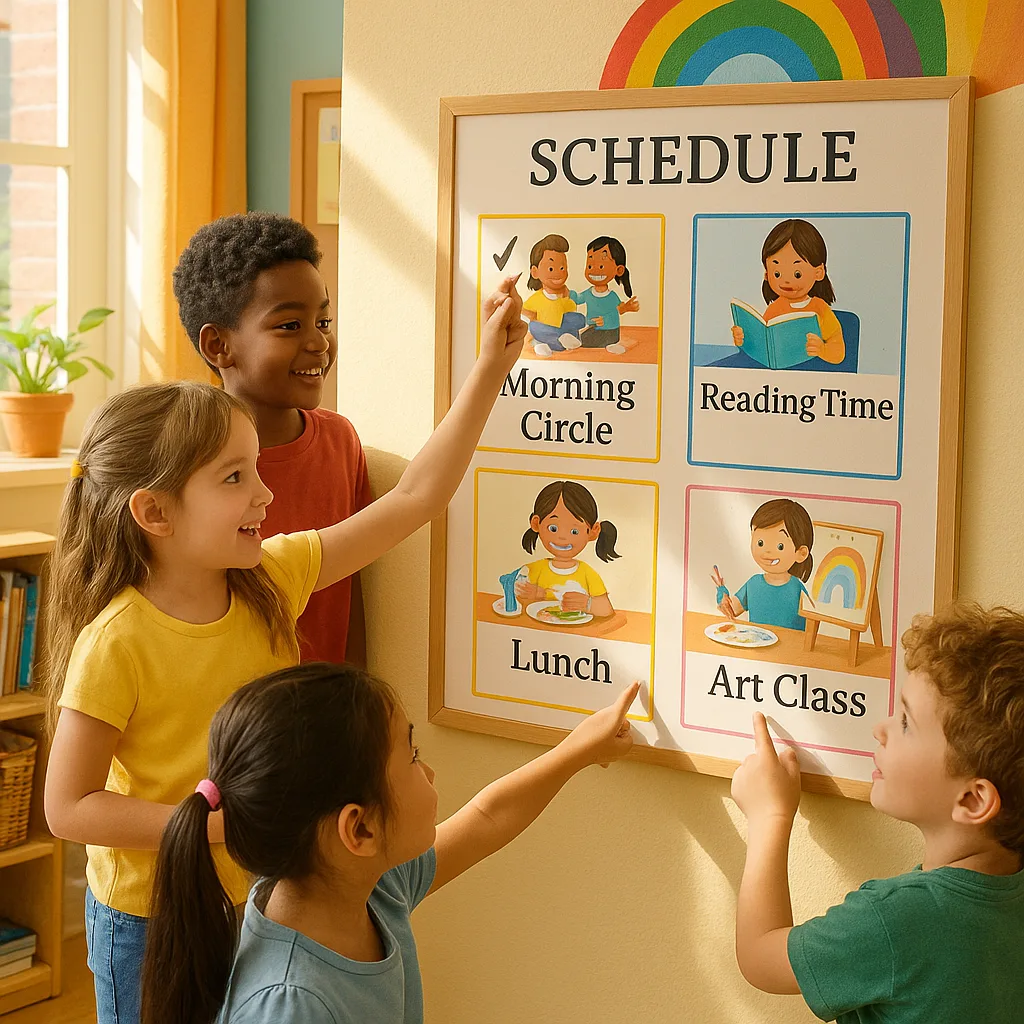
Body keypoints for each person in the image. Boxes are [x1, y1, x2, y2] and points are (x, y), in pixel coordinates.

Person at [40, 276, 527, 1024]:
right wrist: (214, 828)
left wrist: (489, 373)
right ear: (155, 512)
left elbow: (414, 500)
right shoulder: (117, 642)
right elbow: (69, 807)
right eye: (236, 478)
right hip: (151, 919)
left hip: (258, 895)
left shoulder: (275, 574)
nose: (265, 496)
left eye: (256, 469)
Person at [139, 663, 639, 1023]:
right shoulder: (291, 1005)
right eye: (413, 756)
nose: (430, 771)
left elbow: (488, 818)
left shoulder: (366, 885)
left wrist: (577, 751)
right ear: (359, 829)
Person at [731, 602, 1024, 1023]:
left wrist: (768, 817)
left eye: (906, 722)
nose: (880, 728)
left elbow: (759, 957)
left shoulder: (896, 922)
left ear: (973, 801)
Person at [173, 212, 369, 666]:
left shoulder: (340, 441)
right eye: (289, 326)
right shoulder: (186, 461)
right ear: (218, 346)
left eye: (323, 321)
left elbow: (351, 590)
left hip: (322, 714)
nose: (319, 342)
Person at [731, 219, 845, 365]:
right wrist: (743, 340)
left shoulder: (820, 309)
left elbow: (839, 352)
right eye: (777, 273)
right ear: (767, 274)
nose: (786, 281)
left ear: (819, 272)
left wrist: (822, 349)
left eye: (797, 274)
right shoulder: (774, 309)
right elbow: (764, 346)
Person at [514, 480, 620, 618]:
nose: (562, 537)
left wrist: (588, 604)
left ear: (593, 531)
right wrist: (533, 594)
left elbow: (606, 610)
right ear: (536, 524)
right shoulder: (534, 570)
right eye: (553, 528)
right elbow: (516, 597)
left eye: (574, 531)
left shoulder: (587, 573)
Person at [713, 498, 814, 632]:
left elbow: (814, 619)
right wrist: (722, 595)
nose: (767, 551)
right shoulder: (753, 584)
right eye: (760, 543)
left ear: (801, 553)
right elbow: (732, 610)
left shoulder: (797, 589)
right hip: (757, 646)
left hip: (790, 650)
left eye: (780, 546)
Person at [570, 235, 639, 354]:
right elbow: (577, 299)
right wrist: (566, 292)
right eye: (590, 266)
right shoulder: (588, 293)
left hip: (610, 330)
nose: (595, 271)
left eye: (601, 266)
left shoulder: (611, 296)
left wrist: (608, 318)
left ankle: (611, 345)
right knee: (584, 335)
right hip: (593, 328)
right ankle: (607, 345)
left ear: (619, 270)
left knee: (585, 339)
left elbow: (619, 309)